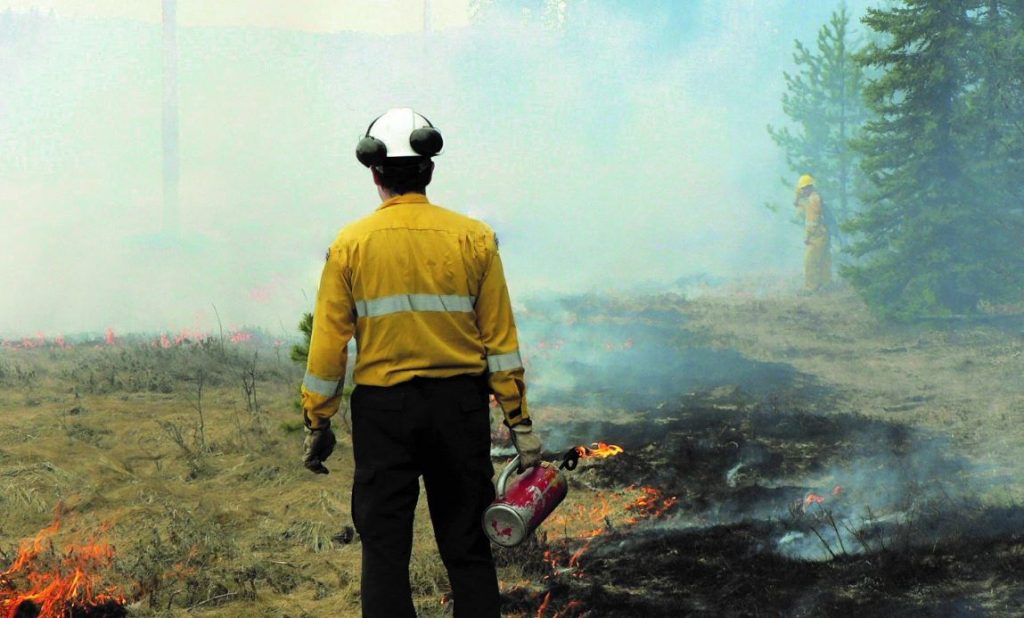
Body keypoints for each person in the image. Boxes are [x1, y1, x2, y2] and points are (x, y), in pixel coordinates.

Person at [299, 108, 542, 618]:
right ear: (429, 170)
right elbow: (499, 341)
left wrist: (318, 421)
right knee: (468, 547)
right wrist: (519, 423)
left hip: (384, 416)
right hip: (459, 411)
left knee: (385, 551)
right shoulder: (474, 238)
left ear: (375, 173)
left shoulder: (350, 245)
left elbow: (328, 348)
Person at [794, 174, 832, 292]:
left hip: (817, 236)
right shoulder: (815, 197)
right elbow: (797, 205)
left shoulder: (812, 200)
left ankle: (811, 288)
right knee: (824, 261)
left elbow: (812, 222)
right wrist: (797, 195)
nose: (803, 191)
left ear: (809, 188)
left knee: (810, 262)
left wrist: (808, 237)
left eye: (803, 188)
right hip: (823, 234)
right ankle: (826, 285)